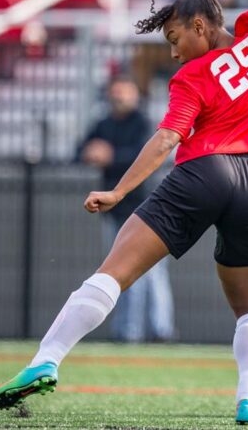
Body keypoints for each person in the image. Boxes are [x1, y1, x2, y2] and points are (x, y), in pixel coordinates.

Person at [0, 0, 248, 426]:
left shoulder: (191, 75)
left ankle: (45, 360)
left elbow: (166, 140)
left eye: (176, 35)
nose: (173, 48)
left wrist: (117, 190)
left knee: (112, 273)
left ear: (202, 26)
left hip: (204, 173)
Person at [78, 74, 174, 343]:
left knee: (152, 273)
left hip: (147, 207)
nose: (118, 97)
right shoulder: (103, 123)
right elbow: (81, 150)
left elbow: (142, 157)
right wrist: (90, 151)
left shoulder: (143, 123)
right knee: (119, 272)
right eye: (115, 92)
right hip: (115, 211)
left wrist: (110, 156)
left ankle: (161, 331)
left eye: (124, 92)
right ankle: (127, 332)